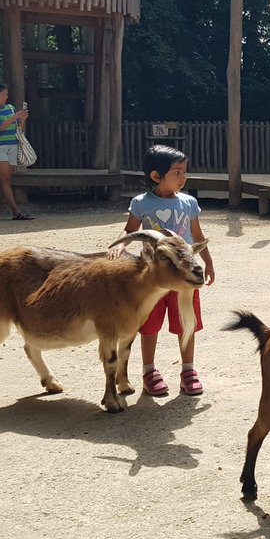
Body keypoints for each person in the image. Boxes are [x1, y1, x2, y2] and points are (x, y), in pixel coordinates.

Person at [108, 145, 216, 397]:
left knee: (186, 321)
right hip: (153, 277)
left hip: (183, 277)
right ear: (156, 176)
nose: (183, 177)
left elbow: (197, 236)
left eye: (184, 172)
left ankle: (188, 371)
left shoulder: (189, 203)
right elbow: (130, 228)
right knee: (149, 324)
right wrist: (120, 244)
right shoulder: (141, 203)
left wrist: (208, 262)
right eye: (176, 172)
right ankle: (149, 371)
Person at [0, 79, 34, 221]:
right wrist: (16, 116)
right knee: (6, 179)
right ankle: (16, 212)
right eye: (2, 94)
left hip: (12, 145)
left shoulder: (9, 108)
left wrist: (22, 120)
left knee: (3, 181)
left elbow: (17, 128)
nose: (6, 97)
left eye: (6, 94)